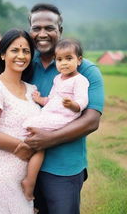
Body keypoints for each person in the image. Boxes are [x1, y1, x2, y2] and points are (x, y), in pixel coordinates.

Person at [15, 3, 104, 214]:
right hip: (23, 164)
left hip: (64, 169)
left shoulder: (85, 70)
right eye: (36, 28)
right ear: (30, 31)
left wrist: (48, 139)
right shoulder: (24, 64)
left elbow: (91, 120)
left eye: (50, 28)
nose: (42, 33)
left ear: (60, 31)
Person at [0, 28, 41, 214]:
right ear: (3, 54)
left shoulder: (32, 90)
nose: (21, 56)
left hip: (23, 177)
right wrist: (19, 147)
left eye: (26, 51)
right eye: (15, 50)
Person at [21, 38, 89, 201]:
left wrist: (73, 105)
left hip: (65, 118)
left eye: (69, 58)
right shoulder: (58, 79)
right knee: (32, 130)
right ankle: (26, 169)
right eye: (59, 60)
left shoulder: (80, 80)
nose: (64, 63)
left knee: (29, 127)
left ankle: (29, 179)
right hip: (50, 114)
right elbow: (51, 99)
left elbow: (83, 101)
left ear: (79, 60)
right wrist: (39, 100)